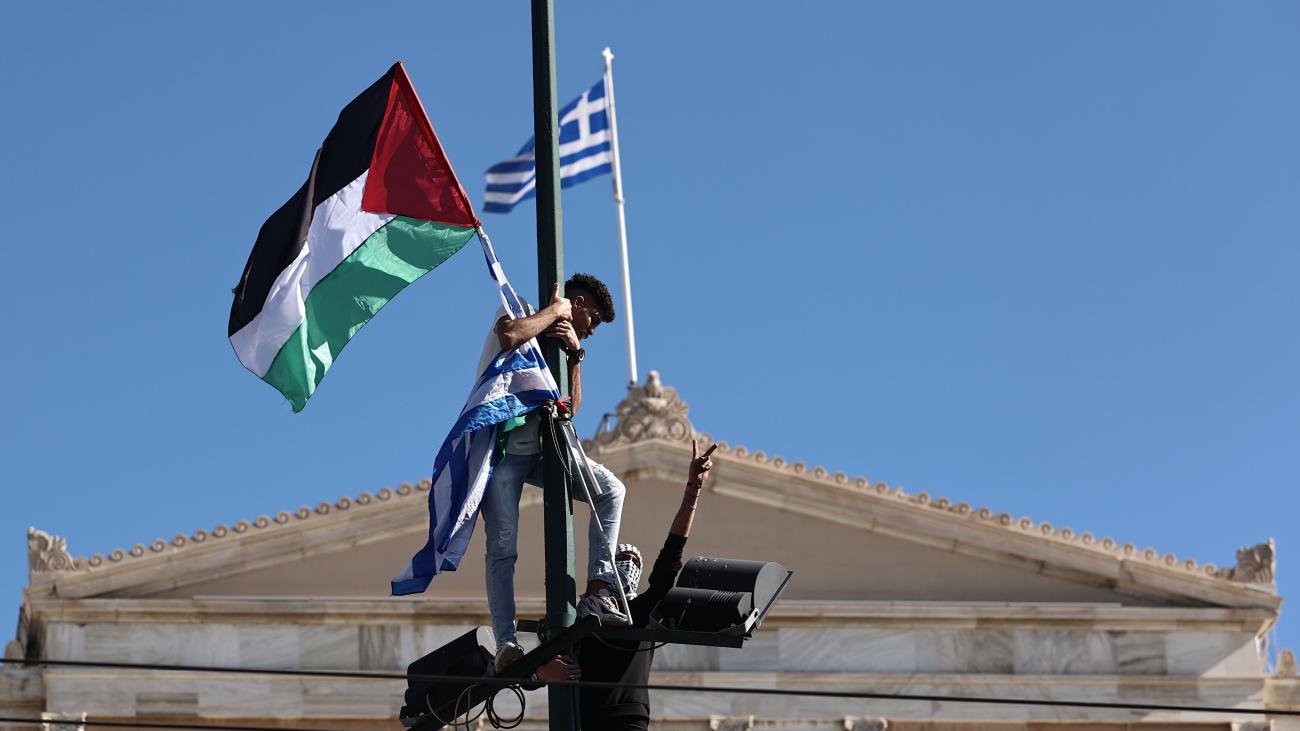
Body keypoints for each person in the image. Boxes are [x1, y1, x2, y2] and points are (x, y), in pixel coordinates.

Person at [480, 272, 631, 673]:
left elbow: (571, 410)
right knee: (502, 548)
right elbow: (510, 335)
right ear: (577, 305)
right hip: (503, 450)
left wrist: (577, 356)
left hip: (545, 452)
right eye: (593, 320)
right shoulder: (524, 309)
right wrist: (554, 312)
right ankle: (505, 644)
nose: (593, 330)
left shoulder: (567, 344)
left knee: (610, 490)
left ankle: (598, 589)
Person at [578, 438, 718, 730]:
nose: (627, 566)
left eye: (634, 562)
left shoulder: (642, 612)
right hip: (582, 718)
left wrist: (692, 490)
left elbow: (672, 554)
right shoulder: (583, 615)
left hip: (628, 719)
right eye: (622, 559)